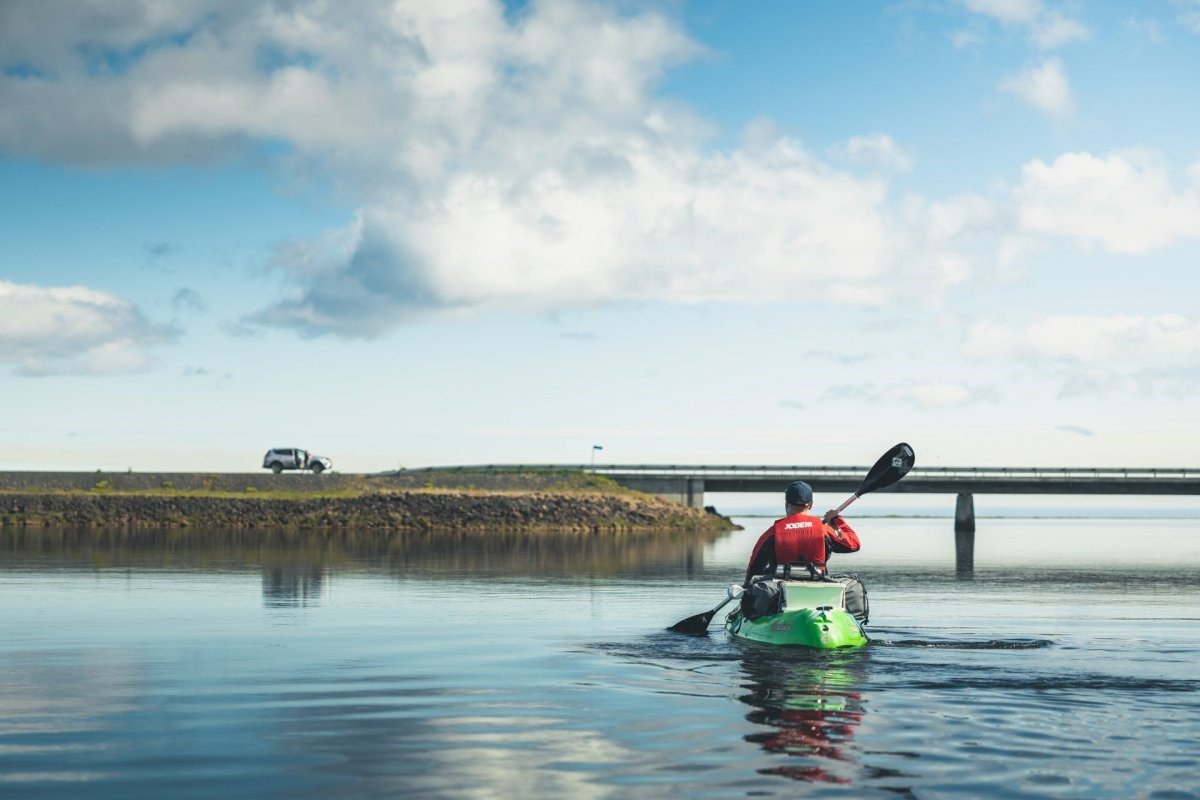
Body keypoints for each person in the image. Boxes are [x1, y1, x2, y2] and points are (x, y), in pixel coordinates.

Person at [744, 480, 860, 583]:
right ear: (810, 505)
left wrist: (748, 583)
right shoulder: (823, 530)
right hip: (818, 584)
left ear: (786, 503)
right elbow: (854, 544)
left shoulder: (772, 532)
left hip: (781, 589)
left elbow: (755, 565)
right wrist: (836, 519)